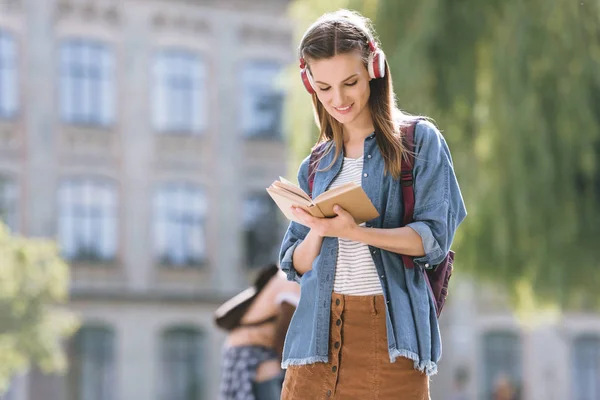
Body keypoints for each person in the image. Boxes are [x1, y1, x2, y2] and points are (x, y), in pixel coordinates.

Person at [278, 9, 467, 399]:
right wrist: (317, 229)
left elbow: (432, 240)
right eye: (324, 87)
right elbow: (294, 265)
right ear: (308, 81)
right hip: (313, 342)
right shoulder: (316, 163)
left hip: (389, 337)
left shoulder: (418, 142)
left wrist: (356, 233)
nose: (339, 99)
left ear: (374, 68)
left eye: (350, 82)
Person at [217, 264, 300, 400]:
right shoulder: (292, 282)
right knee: (272, 373)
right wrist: (285, 366)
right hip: (250, 349)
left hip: (247, 347)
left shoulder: (284, 277)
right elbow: (283, 334)